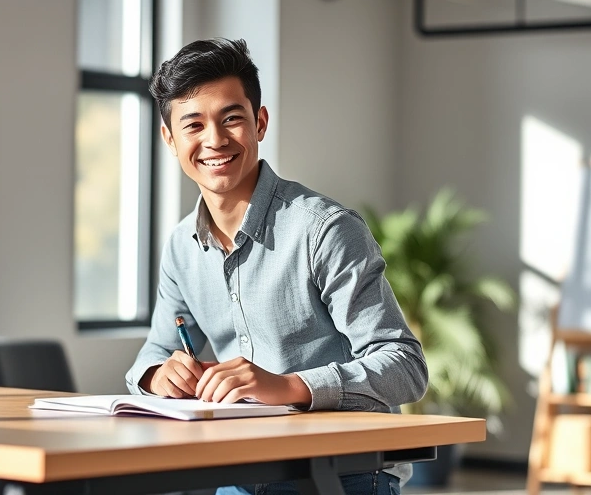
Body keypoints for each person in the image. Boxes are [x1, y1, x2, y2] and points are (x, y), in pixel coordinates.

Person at [125, 38, 428, 495]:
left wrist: (288, 386)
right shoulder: (181, 246)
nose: (215, 140)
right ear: (170, 139)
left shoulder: (324, 230)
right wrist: (157, 375)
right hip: (239, 473)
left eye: (231, 118)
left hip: (343, 474)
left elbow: (405, 366)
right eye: (194, 125)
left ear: (260, 123)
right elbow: (154, 352)